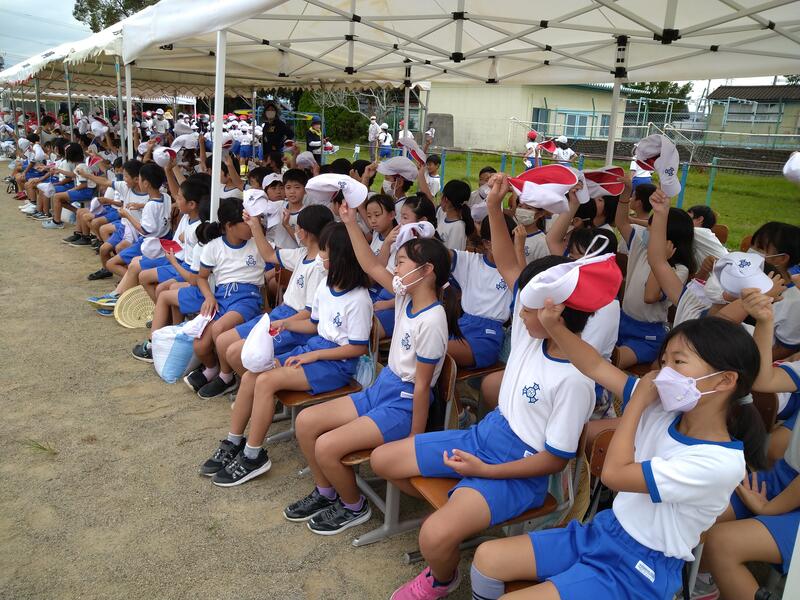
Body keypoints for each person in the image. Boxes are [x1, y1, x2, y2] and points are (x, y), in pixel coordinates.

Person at [372, 174, 598, 599]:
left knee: (433, 535)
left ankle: (443, 575)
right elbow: (510, 266)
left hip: (516, 468)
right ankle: (460, 514)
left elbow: (553, 462)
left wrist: (485, 473)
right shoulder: (532, 332)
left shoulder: (575, 378)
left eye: (527, 305)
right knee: (384, 459)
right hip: (484, 436)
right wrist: (494, 205)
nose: (518, 312)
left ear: (554, 312)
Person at [469, 313, 766, 600]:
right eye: (663, 362)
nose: (663, 374)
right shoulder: (665, 408)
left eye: (678, 362)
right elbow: (595, 365)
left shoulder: (719, 463)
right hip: (605, 530)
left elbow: (614, 474)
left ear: (724, 380)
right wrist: (555, 328)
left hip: (639, 570)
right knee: (487, 558)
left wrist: (637, 403)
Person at [200, 221, 372, 488]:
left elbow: (358, 348)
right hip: (315, 351)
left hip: (336, 364)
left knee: (266, 380)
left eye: (325, 251)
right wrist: (286, 324)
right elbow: (314, 325)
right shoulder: (326, 286)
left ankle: (253, 455)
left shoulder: (359, 299)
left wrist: (314, 356)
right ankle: (234, 441)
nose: (321, 257)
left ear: (341, 256)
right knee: (252, 376)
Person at [695, 290, 800, 600]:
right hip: (785, 478)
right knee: (699, 511)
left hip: (790, 493)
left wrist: (768, 508)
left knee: (721, 543)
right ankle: (706, 581)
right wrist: (765, 321)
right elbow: (763, 380)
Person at [614, 177, 694, 369]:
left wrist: (661, 261)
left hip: (647, 335)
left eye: (651, 228)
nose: (647, 231)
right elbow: (621, 222)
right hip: (622, 321)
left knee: (612, 360)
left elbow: (650, 296)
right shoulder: (641, 246)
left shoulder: (679, 270)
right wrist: (626, 193)